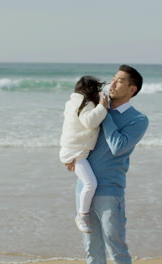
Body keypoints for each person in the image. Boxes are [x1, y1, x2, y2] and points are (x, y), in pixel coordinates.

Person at [65, 65, 149, 264]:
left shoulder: (138, 119)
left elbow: (117, 147)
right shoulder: (94, 107)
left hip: (110, 190)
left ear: (132, 89)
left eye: (120, 80)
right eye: (113, 78)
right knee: (91, 248)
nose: (113, 83)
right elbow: (73, 129)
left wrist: (105, 113)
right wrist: (72, 157)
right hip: (83, 188)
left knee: (116, 247)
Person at [60, 76, 109, 233]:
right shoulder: (85, 104)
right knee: (90, 184)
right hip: (76, 153)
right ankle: (82, 215)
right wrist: (102, 106)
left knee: (88, 183)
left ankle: (83, 213)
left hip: (72, 150)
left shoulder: (71, 103)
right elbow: (89, 122)